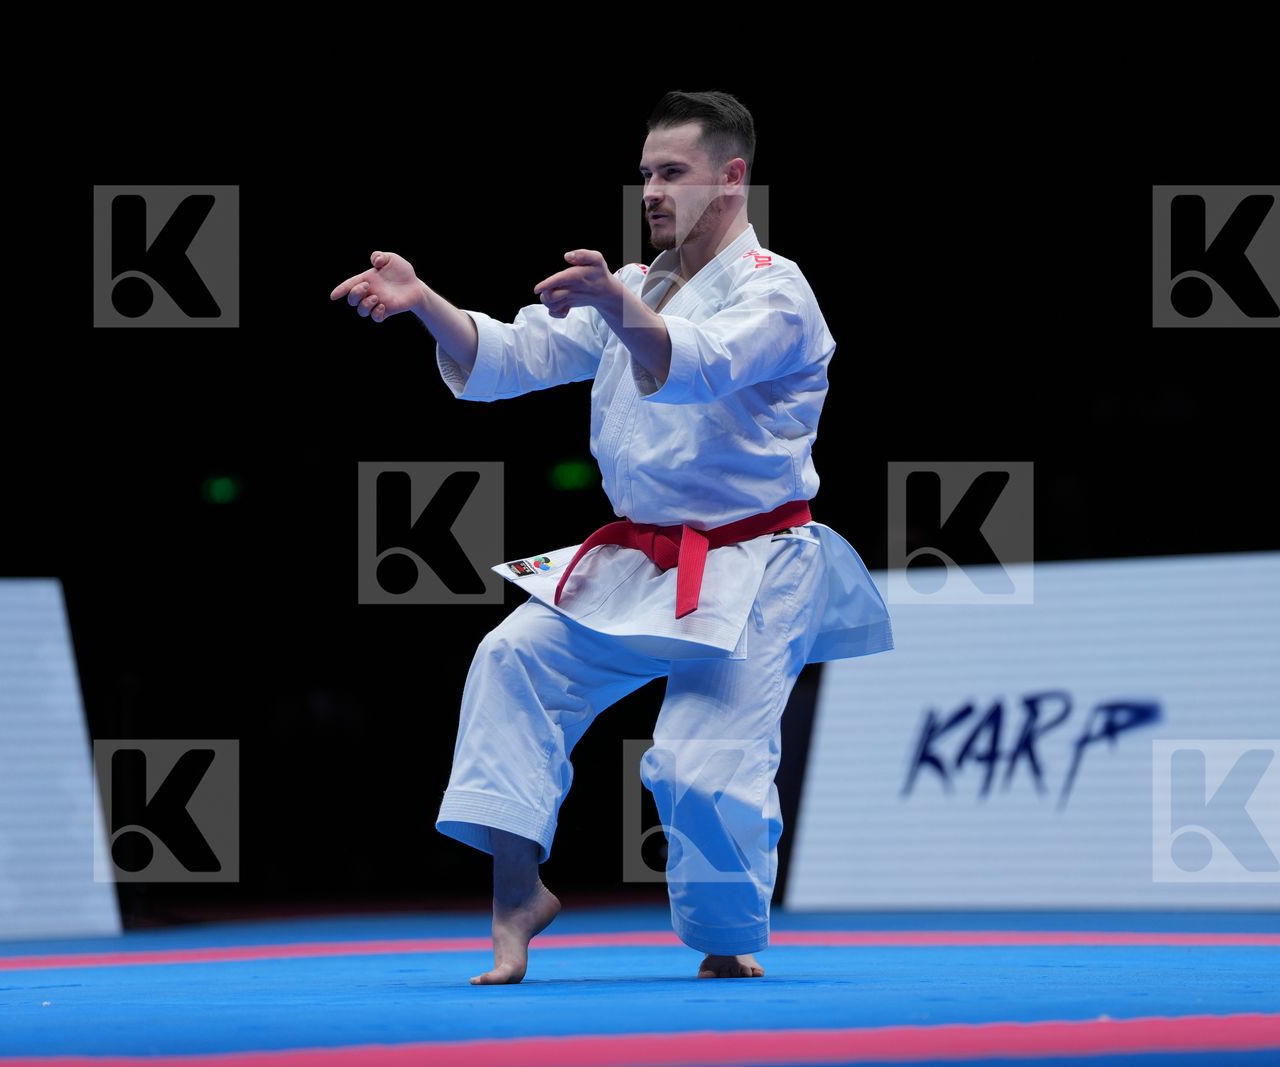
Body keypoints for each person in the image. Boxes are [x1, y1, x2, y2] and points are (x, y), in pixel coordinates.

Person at [329, 90, 893, 984]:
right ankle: (518, 892)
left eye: (672, 173)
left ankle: (725, 935)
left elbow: (693, 364)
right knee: (511, 658)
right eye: (645, 175)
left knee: (700, 771)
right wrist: (425, 300)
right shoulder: (634, 286)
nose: (652, 191)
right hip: (642, 556)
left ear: (732, 179)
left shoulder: (779, 291)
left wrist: (613, 300)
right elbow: (513, 357)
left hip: (752, 563)